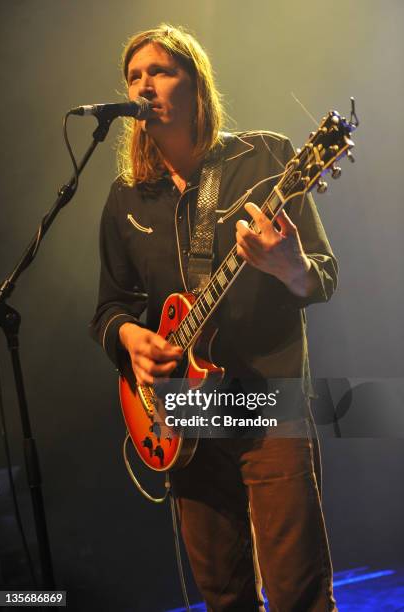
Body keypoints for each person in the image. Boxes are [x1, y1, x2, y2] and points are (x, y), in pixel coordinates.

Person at [90, 24, 338, 612]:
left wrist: (287, 265)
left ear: (196, 85)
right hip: (183, 406)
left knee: (296, 590)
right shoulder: (127, 197)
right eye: (134, 76)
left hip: (265, 396)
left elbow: (322, 276)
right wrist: (131, 339)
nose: (144, 84)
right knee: (222, 594)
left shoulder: (269, 157)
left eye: (161, 71)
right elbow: (109, 308)